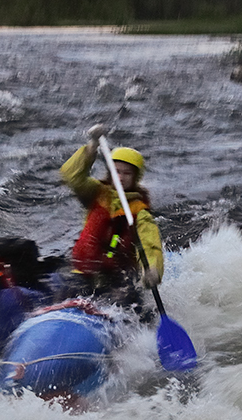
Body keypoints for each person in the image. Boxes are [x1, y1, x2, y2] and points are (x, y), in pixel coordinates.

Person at [59, 123, 164, 297]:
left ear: (135, 177)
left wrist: (153, 270)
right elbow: (71, 176)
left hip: (117, 278)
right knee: (62, 294)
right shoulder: (95, 192)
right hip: (84, 273)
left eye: (127, 173)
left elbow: (149, 245)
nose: (121, 178)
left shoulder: (139, 212)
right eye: (117, 172)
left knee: (124, 299)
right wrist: (92, 146)